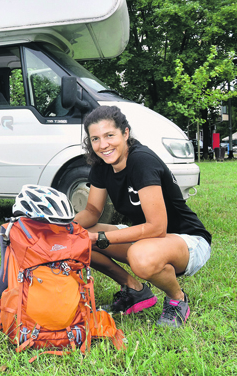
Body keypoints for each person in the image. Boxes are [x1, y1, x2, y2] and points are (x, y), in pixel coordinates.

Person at [73, 105, 212, 328]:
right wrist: (63, 227)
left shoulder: (141, 161)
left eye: (110, 135)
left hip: (188, 240)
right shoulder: (101, 165)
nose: (103, 145)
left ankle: (178, 299)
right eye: (95, 139)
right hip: (149, 238)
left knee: (141, 256)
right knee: (76, 237)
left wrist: (99, 238)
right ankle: (135, 291)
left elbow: (157, 227)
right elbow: (91, 212)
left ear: (125, 133)